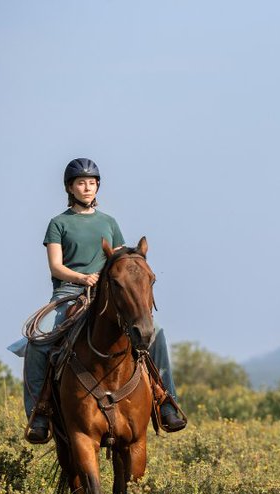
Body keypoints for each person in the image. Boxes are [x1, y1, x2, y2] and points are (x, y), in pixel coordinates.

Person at [14, 158, 185, 444]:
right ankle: (39, 413)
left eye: (92, 183)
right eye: (81, 183)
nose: (87, 187)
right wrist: (82, 279)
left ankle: (166, 402)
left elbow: (119, 261)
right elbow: (56, 266)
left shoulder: (109, 222)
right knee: (37, 341)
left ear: (97, 186)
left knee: (156, 335)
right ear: (70, 187)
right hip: (67, 294)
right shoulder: (58, 224)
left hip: (106, 293)